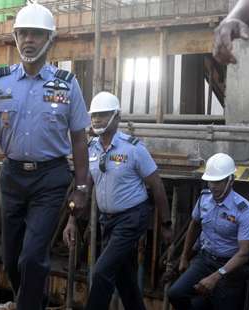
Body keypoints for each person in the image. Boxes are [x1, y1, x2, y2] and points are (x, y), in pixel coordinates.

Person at [0, 2, 91, 309]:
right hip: (11, 176)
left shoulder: (67, 85)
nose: (28, 40)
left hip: (50, 178)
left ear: (50, 39)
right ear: (15, 37)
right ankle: (30, 302)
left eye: (36, 34)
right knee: (12, 260)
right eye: (23, 33)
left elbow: (79, 138)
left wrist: (81, 187)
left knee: (33, 256)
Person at [63, 92, 172, 310]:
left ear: (116, 116)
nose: (96, 120)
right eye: (94, 115)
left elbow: (157, 186)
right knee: (124, 278)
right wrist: (71, 221)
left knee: (102, 270)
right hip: (108, 220)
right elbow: (82, 190)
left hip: (133, 217)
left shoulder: (133, 148)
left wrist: (166, 224)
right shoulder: (91, 149)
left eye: (103, 115)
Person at [167, 153, 249, 310]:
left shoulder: (243, 210)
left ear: (231, 180)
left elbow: (244, 253)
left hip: (231, 268)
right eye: (210, 181)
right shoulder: (204, 199)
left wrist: (216, 276)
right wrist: (184, 257)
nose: (213, 186)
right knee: (176, 293)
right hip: (205, 260)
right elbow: (194, 224)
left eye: (218, 181)